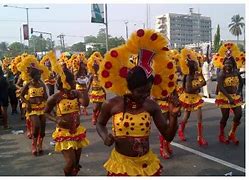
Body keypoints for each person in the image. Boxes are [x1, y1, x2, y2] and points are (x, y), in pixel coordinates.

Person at [96, 29, 180, 176]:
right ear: (130, 88)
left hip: (146, 165)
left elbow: (168, 136)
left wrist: (173, 116)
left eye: (148, 91)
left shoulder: (151, 106)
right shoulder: (112, 104)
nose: (146, 95)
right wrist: (105, 137)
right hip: (121, 164)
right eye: (141, 92)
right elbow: (100, 123)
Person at [44, 52, 89, 176]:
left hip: (77, 131)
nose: (75, 83)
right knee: (70, 162)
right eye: (72, 81)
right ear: (65, 83)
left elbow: (85, 103)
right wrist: (56, 120)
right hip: (64, 133)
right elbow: (45, 112)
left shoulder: (76, 94)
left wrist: (83, 89)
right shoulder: (55, 97)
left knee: (76, 163)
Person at [213, 42, 243, 145]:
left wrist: (239, 92)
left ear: (233, 64)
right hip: (224, 97)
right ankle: (221, 134)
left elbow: (241, 81)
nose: (227, 65)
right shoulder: (221, 74)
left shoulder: (236, 72)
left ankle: (232, 133)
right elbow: (221, 87)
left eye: (229, 63)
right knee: (225, 117)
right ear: (223, 63)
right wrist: (229, 97)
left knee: (239, 114)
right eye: (226, 63)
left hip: (235, 96)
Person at [19, 55, 49, 156]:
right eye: (37, 75)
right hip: (32, 109)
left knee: (43, 128)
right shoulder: (28, 84)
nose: (39, 76)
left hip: (42, 108)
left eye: (39, 75)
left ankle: (40, 145)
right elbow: (21, 95)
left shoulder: (42, 84)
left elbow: (46, 96)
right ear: (32, 75)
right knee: (36, 126)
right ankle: (34, 145)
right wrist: (27, 104)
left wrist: (44, 97)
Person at [178, 48, 208, 146]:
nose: (197, 66)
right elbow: (189, 89)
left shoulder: (196, 75)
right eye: (195, 65)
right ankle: (181, 131)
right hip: (188, 97)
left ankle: (200, 137)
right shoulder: (188, 77)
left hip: (196, 97)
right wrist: (199, 85)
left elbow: (204, 82)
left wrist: (201, 76)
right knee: (186, 116)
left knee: (200, 117)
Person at [87, 52, 106, 125]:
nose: (95, 67)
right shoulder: (92, 76)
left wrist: (104, 92)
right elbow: (89, 84)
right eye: (94, 66)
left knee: (100, 107)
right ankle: (94, 116)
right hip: (94, 93)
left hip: (101, 92)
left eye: (96, 66)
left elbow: (103, 85)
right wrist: (87, 92)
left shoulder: (101, 76)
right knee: (95, 108)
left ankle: (97, 117)